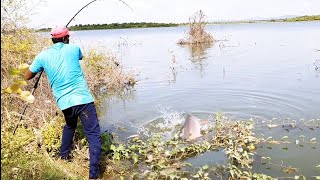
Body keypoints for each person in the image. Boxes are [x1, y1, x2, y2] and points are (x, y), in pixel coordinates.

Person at [25, 26, 101, 180]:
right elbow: (80, 57)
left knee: (70, 125)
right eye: (68, 37)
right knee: (93, 135)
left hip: (65, 103)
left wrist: (38, 66)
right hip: (83, 100)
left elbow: (27, 76)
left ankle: (63, 156)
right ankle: (93, 176)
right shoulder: (74, 49)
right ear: (66, 38)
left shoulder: (42, 56)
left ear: (52, 39)